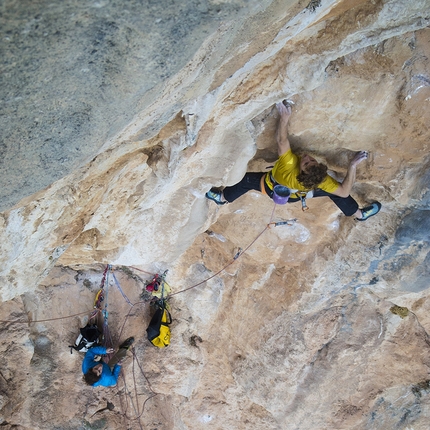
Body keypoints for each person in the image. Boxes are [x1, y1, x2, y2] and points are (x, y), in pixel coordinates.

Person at [205, 101, 381, 221]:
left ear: (300, 171)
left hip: (271, 186)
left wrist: (284, 118)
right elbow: (343, 192)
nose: (306, 157)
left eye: (306, 163)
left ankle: (222, 197)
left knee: (245, 181)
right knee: (334, 192)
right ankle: (359, 215)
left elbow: (282, 141)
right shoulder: (322, 180)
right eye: (311, 160)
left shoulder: (288, 167)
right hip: (297, 194)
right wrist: (352, 166)